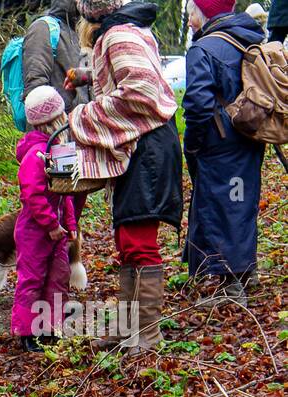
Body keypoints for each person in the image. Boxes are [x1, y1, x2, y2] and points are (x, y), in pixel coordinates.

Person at [67, 0, 182, 353]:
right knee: (126, 240)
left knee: (139, 241)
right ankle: (127, 328)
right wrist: (91, 77)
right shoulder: (120, 34)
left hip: (147, 150)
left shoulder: (118, 37)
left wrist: (84, 114)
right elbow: (132, 78)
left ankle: (147, 335)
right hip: (139, 148)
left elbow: (143, 92)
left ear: (93, 13)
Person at [183, 0, 265, 309]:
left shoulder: (204, 48)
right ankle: (248, 274)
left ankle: (232, 287)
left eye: (192, 12)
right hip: (251, 135)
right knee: (241, 203)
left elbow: (198, 104)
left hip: (220, 142)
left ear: (205, 12)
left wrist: (193, 142)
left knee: (222, 207)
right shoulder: (248, 38)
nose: (191, 20)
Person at [12, 87, 78, 349]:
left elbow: (67, 193)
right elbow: (33, 194)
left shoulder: (60, 150)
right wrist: (51, 224)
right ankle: (27, 333)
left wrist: (69, 224)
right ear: (53, 121)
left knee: (58, 276)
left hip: (56, 228)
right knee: (32, 278)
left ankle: (52, 327)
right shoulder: (36, 154)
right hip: (35, 230)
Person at [24, 0, 88, 110]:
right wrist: (57, 121)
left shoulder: (85, 29)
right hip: (59, 124)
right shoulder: (42, 27)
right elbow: (35, 89)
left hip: (84, 122)